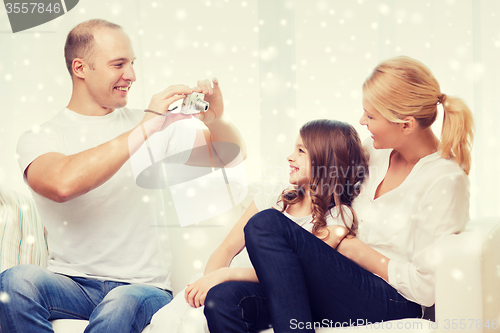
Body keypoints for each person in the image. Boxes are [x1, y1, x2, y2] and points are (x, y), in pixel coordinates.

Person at [0, 19, 246, 333]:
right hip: (72, 285)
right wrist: (144, 128)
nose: (130, 75)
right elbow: (62, 184)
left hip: (143, 289)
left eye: (132, 63)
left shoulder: (158, 126)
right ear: (80, 68)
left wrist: (217, 120)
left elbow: (228, 159)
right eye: (119, 64)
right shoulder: (40, 138)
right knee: (13, 282)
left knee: (120, 305)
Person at [204, 55, 474, 332]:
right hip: (336, 278)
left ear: (405, 125)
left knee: (265, 224)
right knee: (222, 300)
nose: (362, 121)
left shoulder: (444, 180)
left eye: (370, 116)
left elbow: (425, 288)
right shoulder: (373, 153)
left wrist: (354, 249)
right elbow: (322, 165)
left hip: (392, 298)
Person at [149, 119, 369, 333]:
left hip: (266, 292)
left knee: (218, 304)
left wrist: (226, 276)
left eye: (301, 151)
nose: (290, 157)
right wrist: (209, 281)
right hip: (226, 281)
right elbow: (227, 248)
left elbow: (292, 274)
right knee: (180, 316)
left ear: (325, 161)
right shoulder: (274, 197)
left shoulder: (338, 217)